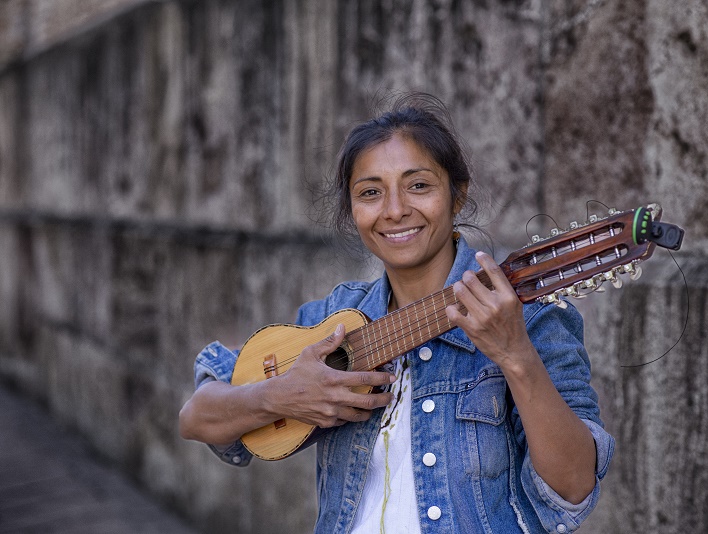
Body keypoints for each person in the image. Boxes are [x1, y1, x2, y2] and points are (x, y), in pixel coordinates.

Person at [179, 93, 613, 534]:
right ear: (352, 212)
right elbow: (196, 417)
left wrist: (516, 356)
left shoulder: (529, 320)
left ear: (457, 195)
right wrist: (279, 396)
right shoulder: (333, 319)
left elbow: (572, 489)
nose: (394, 210)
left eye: (419, 185)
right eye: (370, 192)